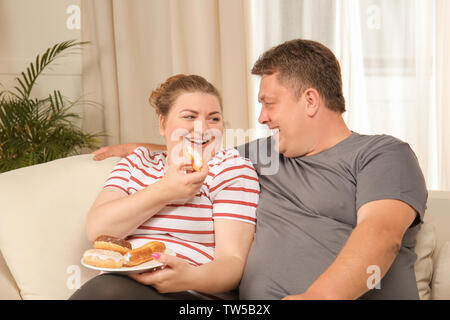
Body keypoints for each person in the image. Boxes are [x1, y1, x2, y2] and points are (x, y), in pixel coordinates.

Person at [91, 39, 428, 300]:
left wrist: (317, 297)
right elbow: (201, 147)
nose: (261, 117)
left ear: (310, 101)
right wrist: (143, 149)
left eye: (269, 103)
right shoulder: (260, 156)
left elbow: (380, 234)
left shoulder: (382, 154)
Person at [70, 74, 260, 299]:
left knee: (107, 292)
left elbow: (232, 263)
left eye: (214, 119)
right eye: (189, 116)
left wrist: (187, 278)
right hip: (121, 284)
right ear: (162, 123)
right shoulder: (136, 162)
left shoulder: (230, 168)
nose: (202, 129)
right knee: (107, 290)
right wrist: (165, 190)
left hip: (193, 293)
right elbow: (98, 231)